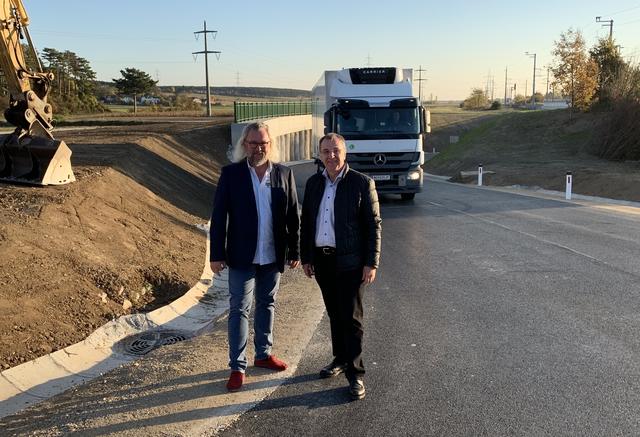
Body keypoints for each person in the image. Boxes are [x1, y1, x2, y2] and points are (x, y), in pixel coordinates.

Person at [210, 121, 300, 392]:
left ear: (270, 145)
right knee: (239, 309)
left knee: (267, 304)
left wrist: (295, 251)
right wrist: (216, 254)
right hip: (241, 256)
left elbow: (293, 216)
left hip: (272, 256)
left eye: (263, 143)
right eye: (253, 143)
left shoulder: (284, 174)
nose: (258, 148)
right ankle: (237, 366)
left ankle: (263, 355)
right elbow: (219, 217)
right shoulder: (231, 175)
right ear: (244, 145)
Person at [300, 132, 382, 400]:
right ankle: (340, 359)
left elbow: (373, 225)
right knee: (334, 314)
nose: (331, 156)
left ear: (345, 153)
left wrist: (371, 262)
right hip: (323, 261)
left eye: (335, 151)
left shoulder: (361, 183)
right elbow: (307, 223)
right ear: (320, 154)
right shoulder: (313, 183)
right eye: (325, 151)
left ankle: (356, 374)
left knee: (352, 319)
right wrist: (307, 257)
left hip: (351, 263)